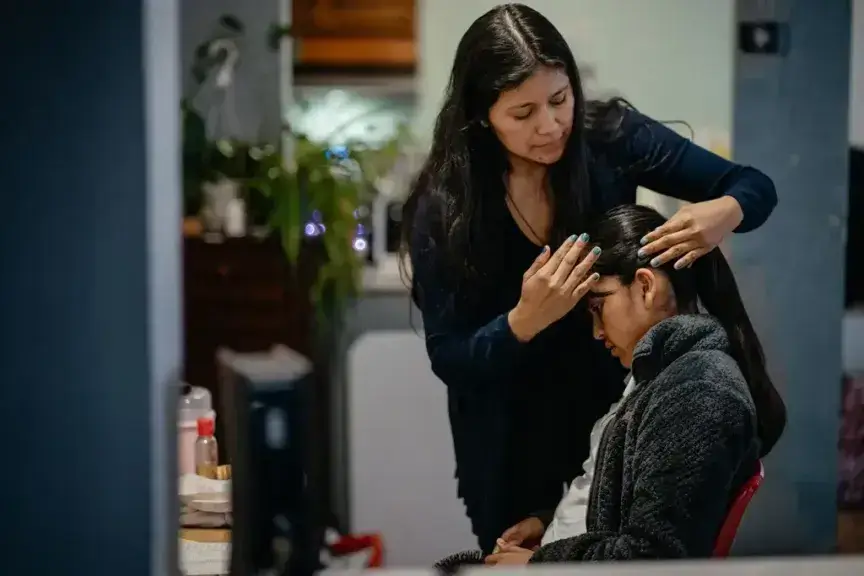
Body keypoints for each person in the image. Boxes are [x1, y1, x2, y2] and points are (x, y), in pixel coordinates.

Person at [401, 3, 778, 553]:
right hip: (507, 437)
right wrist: (522, 322)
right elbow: (450, 359)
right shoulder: (447, 207)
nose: (550, 125)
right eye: (522, 113)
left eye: (559, 100)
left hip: (609, 412)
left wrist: (724, 212)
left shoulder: (610, 139)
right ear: (482, 115)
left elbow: (754, 186)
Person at [482, 204, 786, 564]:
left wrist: (536, 564)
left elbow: (654, 556)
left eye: (598, 306)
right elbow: (637, 505)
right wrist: (548, 524)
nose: (596, 332)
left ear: (644, 285)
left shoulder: (699, 392)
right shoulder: (665, 374)